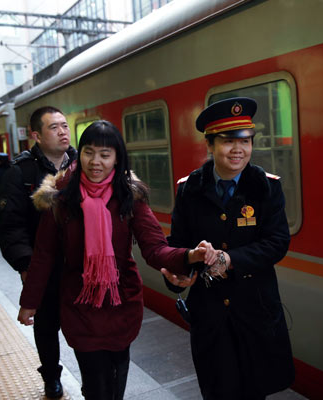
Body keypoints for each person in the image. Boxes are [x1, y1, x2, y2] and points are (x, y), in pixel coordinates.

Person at [17, 120, 216, 400]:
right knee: (97, 382)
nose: (95, 162)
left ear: (117, 159)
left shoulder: (129, 196)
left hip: (121, 302)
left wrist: (188, 256)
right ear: (80, 153)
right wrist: (30, 302)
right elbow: (44, 254)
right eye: (88, 152)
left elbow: (154, 248)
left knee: (116, 376)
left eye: (104, 154)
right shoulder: (61, 199)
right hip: (80, 303)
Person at [162, 97, 295, 399]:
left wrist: (229, 259)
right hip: (210, 317)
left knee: (254, 390)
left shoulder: (266, 186)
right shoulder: (189, 189)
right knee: (217, 390)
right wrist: (180, 271)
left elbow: (277, 242)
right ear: (209, 145)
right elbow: (177, 244)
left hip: (255, 313)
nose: (239, 149)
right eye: (228, 141)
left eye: (246, 141)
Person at [0, 106, 77, 398]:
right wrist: (27, 266)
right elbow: (11, 227)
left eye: (65, 126)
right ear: (36, 135)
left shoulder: (82, 164)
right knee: (46, 325)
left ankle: (90, 372)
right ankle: (51, 376)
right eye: (54, 127)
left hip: (79, 266)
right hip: (43, 266)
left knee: (83, 321)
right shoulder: (21, 172)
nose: (62, 132)